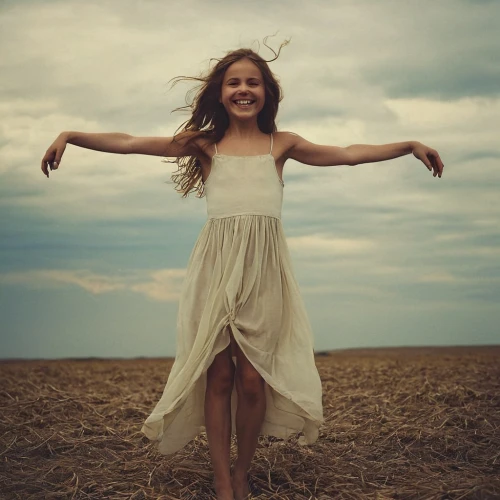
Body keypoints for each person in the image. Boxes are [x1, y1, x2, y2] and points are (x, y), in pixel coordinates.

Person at [41, 39, 444, 500]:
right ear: (221, 93)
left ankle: (242, 470)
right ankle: (221, 480)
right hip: (215, 271)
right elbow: (131, 143)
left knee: (252, 379)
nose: (244, 89)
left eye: (253, 82)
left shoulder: (282, 145)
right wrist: (70, 135)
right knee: (219, 375)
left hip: (264, 273)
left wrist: (409, 144)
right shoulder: (206, 145)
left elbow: (349, 152)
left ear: (266, 93)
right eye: (234, 82)